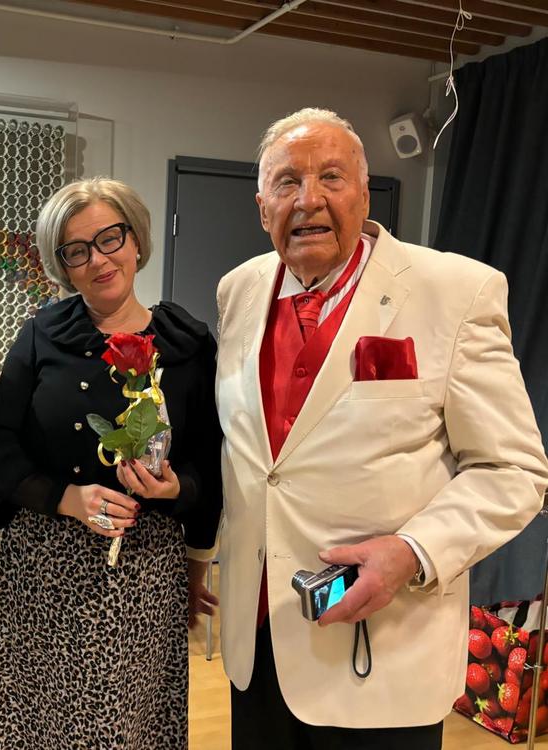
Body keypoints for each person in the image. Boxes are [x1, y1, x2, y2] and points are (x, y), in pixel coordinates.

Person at [188, 107, 548, 749]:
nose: (309, 199)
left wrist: (413, 552)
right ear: (262, 208)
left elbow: (514, 470)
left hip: (381, 649)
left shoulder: (455, 291)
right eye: (287, 182)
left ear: (364, 193)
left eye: (331, 177)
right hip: (258, 644)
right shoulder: (238, 290)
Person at [0, 177, 221, 749]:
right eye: (76, 251)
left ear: (136, 240)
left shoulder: (188, 344)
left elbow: (211, 463)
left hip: (144, 575)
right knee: (32, 726)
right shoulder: (42, 336)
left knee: (122, 728)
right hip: (44, 571)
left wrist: (175, 494)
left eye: (110, 239)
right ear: (62, 266)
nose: (99, 260)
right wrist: (64, 497)